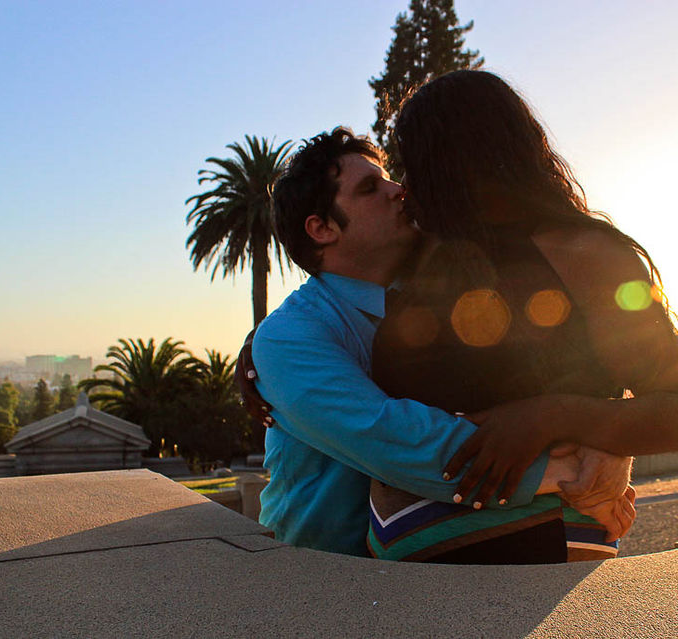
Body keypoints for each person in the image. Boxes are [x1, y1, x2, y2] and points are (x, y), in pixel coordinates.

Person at [364, 70, 678, 563]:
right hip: (400, 566)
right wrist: (261, 353)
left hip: (538, 550)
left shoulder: (585, 253)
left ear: (459, 158)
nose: (405, 184)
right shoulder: (430, 257)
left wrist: (549, 415)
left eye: (415, 160)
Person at [241, 128, 636, 559]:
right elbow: (393, 436)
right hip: (323, 575)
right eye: (371, 188)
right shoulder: (289, 337)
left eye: (390, 177)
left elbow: (573, 360)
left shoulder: (452, 290)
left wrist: (611, 444)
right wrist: (578, 476)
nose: (399, 191)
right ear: (322, 228)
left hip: (454, 561)